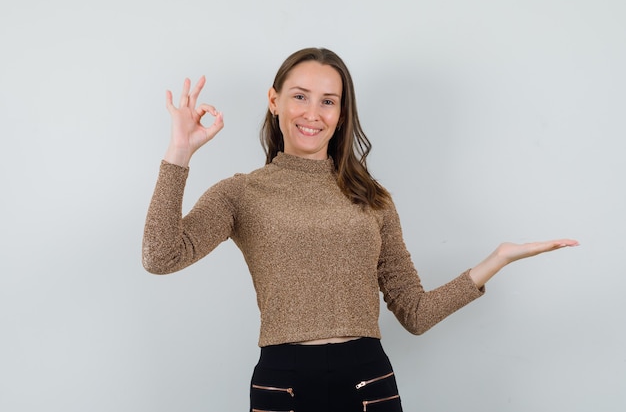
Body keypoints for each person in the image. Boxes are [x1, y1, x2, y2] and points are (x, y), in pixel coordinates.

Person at [142, 47, 578, 412]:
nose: (313, 113)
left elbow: (415, 314)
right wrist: (180, 151)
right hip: (283, 384)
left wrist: (497, 259)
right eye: (300, 96)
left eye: (328, 101)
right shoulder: (240, 193)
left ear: (341, 112)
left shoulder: (371, 197)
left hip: (368, 380)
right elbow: (160, 257)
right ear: (274, 101)